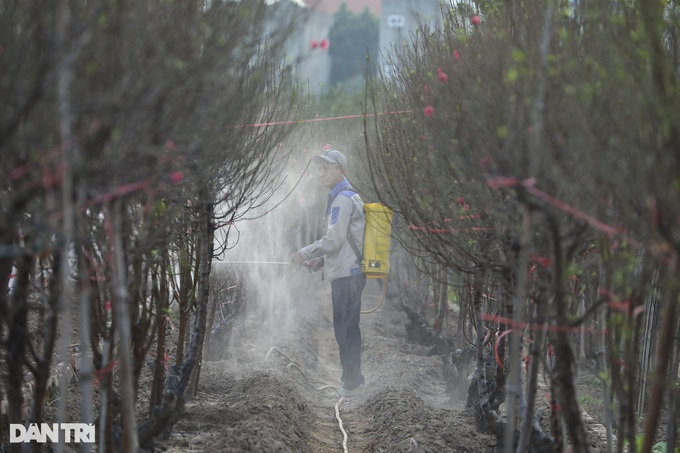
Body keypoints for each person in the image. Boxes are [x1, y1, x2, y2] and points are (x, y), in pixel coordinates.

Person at [291, 149, 366, 394]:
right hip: (347, 270)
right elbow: (342, 241)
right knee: (346, 326)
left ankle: (352, 383)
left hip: (348, 274)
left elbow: (333, 240)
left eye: (327, 168)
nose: (321, 173)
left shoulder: (343, 199)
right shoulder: (341, 197)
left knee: (346, 328)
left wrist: (305, 253)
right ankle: (352, 380)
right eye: (320, 168)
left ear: (340, 170)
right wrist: (321, 261)